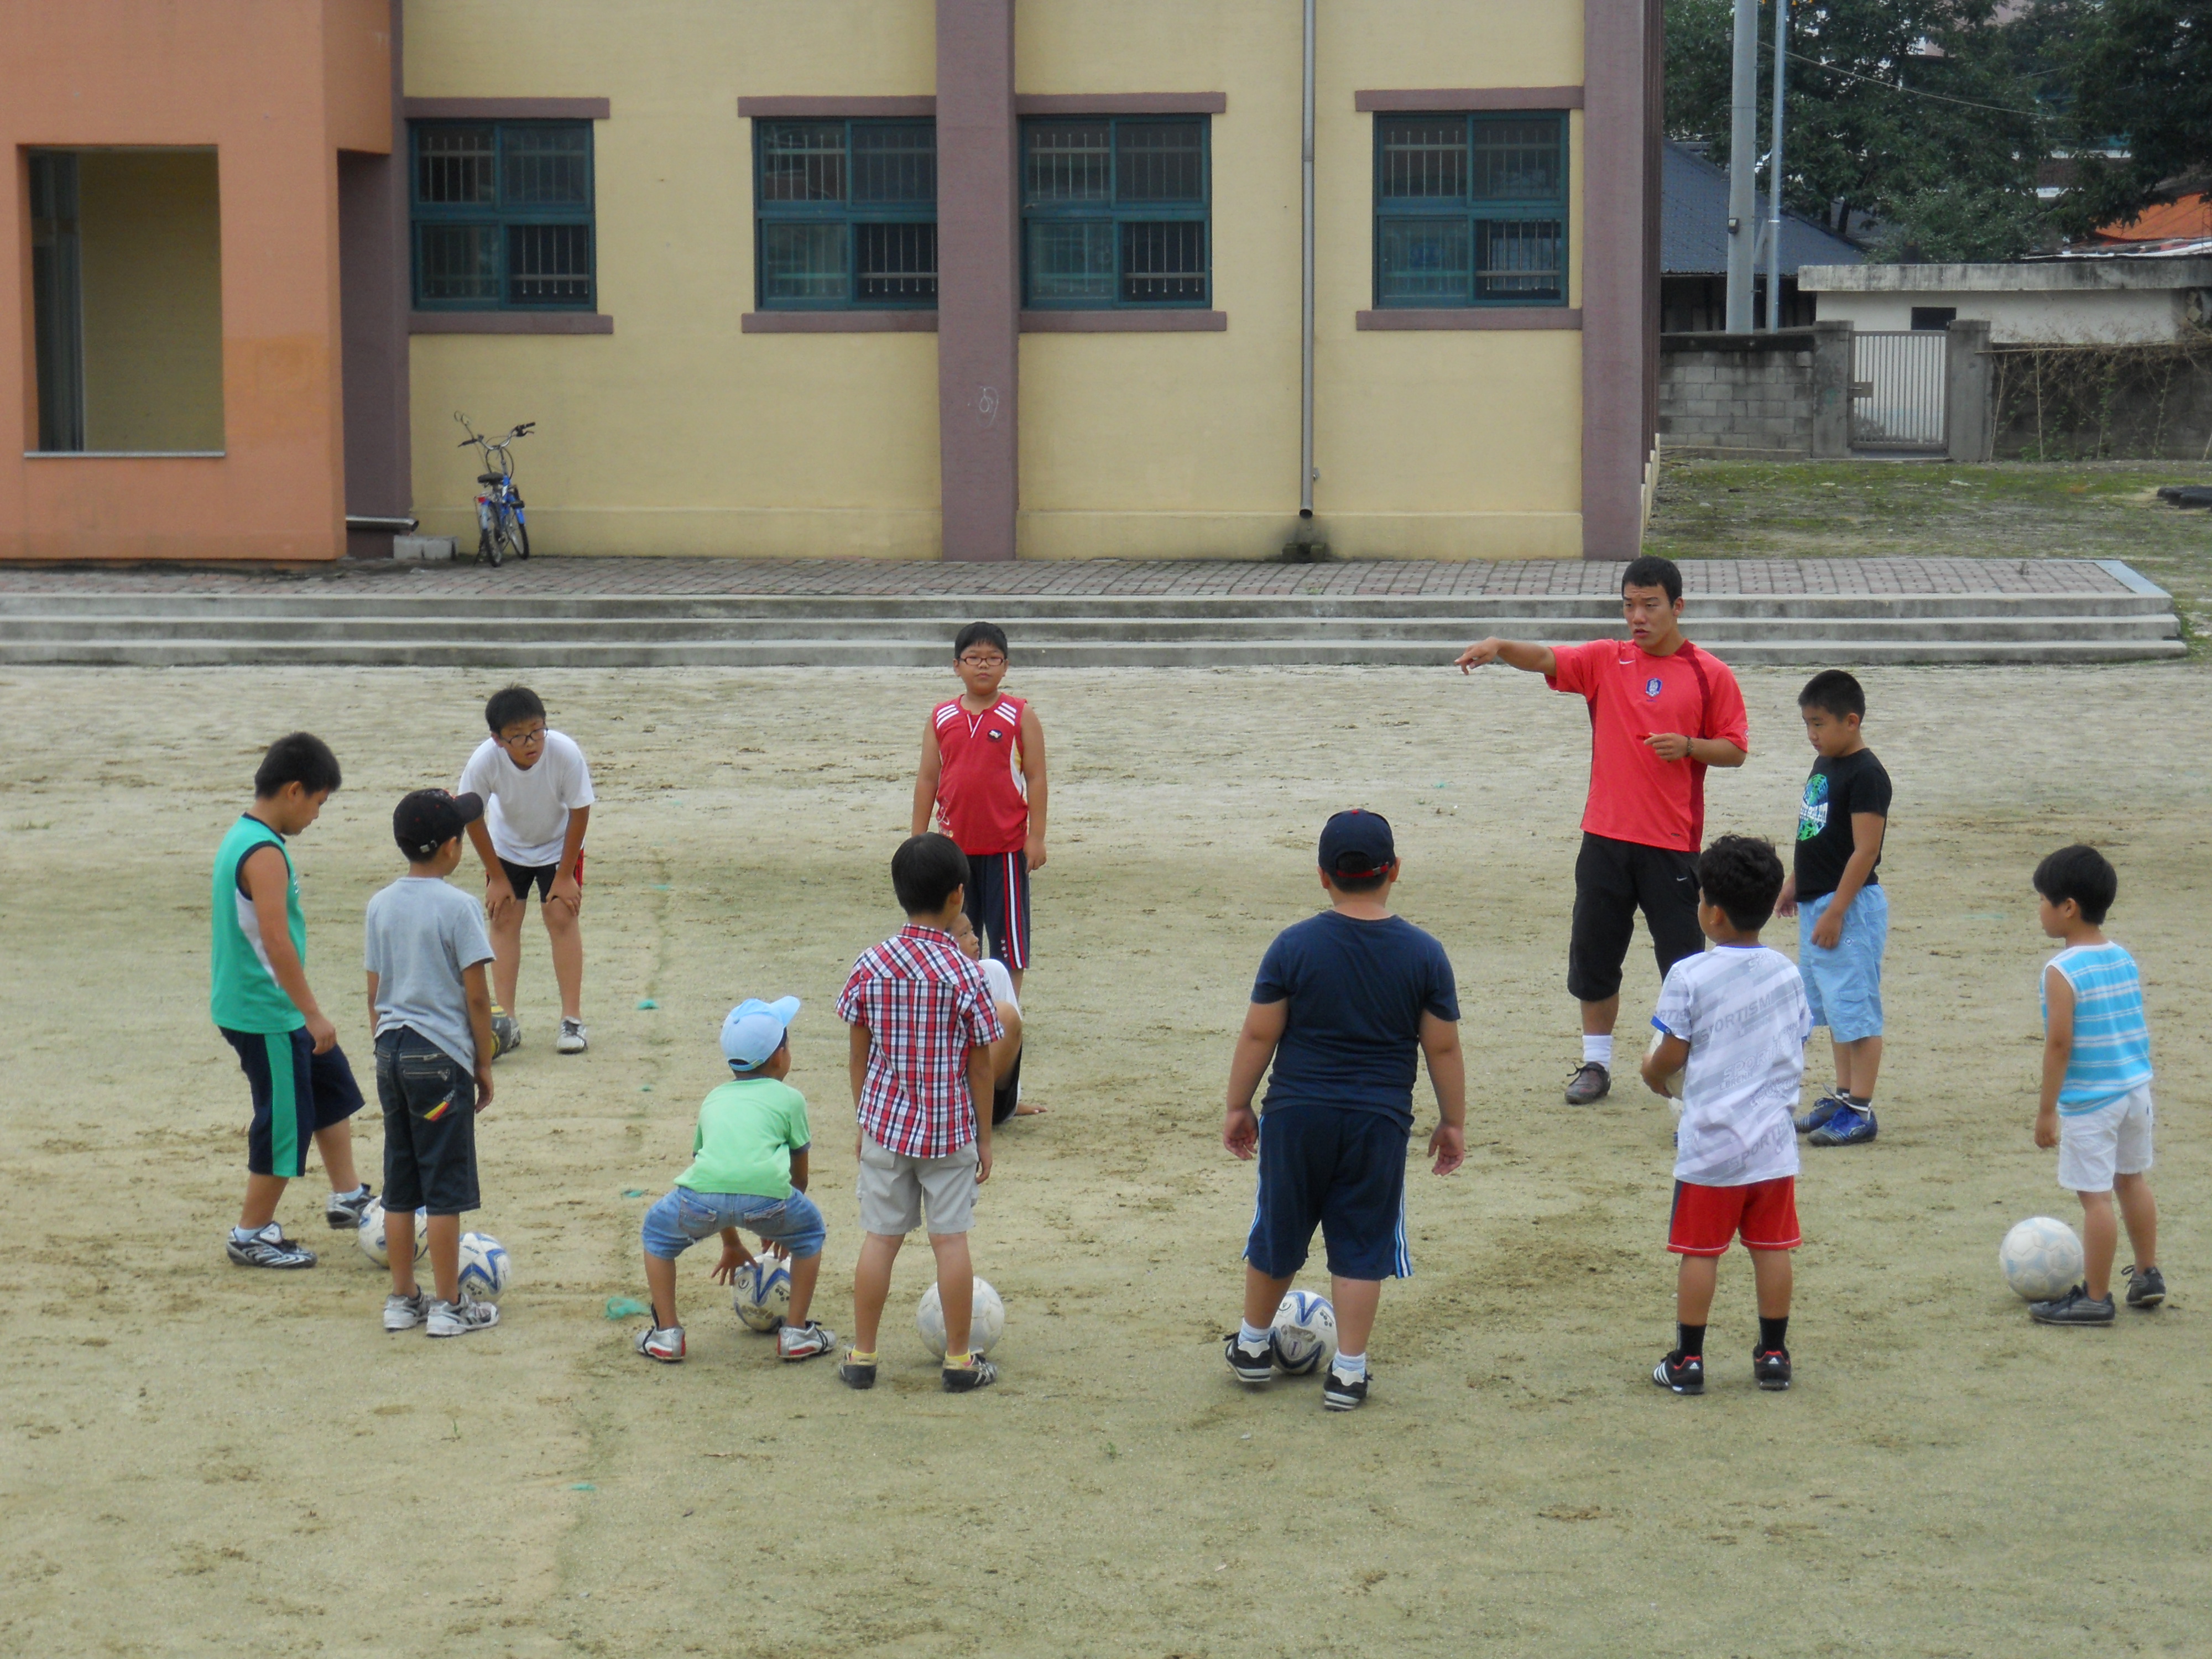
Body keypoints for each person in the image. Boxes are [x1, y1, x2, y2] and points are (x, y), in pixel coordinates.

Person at [1457, 555, 1749, 1105]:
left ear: (1677, 606)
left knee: (1683, 963)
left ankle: (1688, 1064)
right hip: (1605, 839)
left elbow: (1735, 749)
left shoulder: (1711, 674)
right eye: (1629, 605)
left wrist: (1688, 747)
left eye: (1649, 605)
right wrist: (1498, 645)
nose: (1637, 616)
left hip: (1672, 846)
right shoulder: (1604, 661)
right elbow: (1545, 657)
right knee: (1594, 956)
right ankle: (1596, 1064)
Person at [1222, 810, 1465, 1413]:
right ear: (1395, 872)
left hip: (1296, 1114)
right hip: (1376, 1122)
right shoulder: (1424, 954)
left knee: (1276, 1227)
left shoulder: (1294, 945)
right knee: (1360, 1243)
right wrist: (1452, 1120)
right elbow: (1441, 1045)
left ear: (1323, 877)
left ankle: (1253, 1347)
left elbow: (1259, 1035)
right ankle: (1349, 1373)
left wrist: (1237, 1104)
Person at [835, 833, 1006, 1394]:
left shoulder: (871, 963)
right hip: (950, 1126)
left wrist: (866, 1120)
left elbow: (858, 1055)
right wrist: (984, 1136)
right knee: (950, 1241)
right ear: (958, 897)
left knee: (880, 1239)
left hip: (886, 1125)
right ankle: (959, 1360)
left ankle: (862, 1355)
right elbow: (981, 1067)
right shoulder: (963, 972)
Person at [1642, 834, 1811, 1397]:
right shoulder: (1787, 973)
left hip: (1711, 1142)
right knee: (1772, 1248)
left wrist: (1652, 1075)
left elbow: (1670, 1056)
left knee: (1700, 1252)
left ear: (1710, 911)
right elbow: (1797, 1035)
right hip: (1772, 1142)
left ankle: (1688, 1359)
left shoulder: (1689, 975)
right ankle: (1773, 1353)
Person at [212, 733, 370, 1269]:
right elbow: (276, 942)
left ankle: (348, 1196)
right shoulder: (264, 854)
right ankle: (251, 1232)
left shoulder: (243, 835)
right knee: (286, 1122)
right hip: (267, 1013)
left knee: (331, 1085)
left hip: (271, 1007)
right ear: (295, 790)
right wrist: (311, 1013)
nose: (317, 817)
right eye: (319, 804)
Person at [632, 998, 837, 1364]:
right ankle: (796, 1333)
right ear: (780, 1056)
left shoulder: (714, 1098)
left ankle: (666, 1334)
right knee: (810, 1235)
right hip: (771, 1199)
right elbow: (799, 1175)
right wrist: (781, 1225)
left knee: (656, 1235)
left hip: (701, 1198)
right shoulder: (791, 1099)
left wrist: (731, 1241)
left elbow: (713, 1171)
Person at [364, 789, 501, 1337]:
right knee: (444, 1188)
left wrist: (383, 1047)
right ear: (451, 848)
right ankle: (448, 1305)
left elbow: (374, 992)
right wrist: (483, 1064)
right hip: (439, 1056)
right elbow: (476, 997)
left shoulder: (380, 904)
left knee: (399, 1182)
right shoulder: (459, 906)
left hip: (391, 1050)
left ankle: (402, 1298)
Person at [2026, 844, 2164, 1326]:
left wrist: (2048, 1110)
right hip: (2135, 1093)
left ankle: (2097, 1297)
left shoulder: (2061, 970)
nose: (2039, 909)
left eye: (2044, 899)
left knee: (2096, 1197)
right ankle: (2148, 1272)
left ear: (2069, 908)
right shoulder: (2121, 956)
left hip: (2091, 1101)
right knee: (2133, 1180)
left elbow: (2060, 1044)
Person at [1776, 670, 1891, 1147]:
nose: (1812, 734)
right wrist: (1795, 883)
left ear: (1852, 720)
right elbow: (1815, 834)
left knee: (1856, 1008)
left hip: (1850, 907)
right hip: (1817, 902)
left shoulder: (1867, 775)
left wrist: (1838, 910)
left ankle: (1861, 1109)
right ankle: (1843, 1095)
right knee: (1833, 1008)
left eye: (1819, 723)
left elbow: (1864, 851)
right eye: (1806, 724)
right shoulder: (1824, 763)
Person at [456, 685, 594, 1056]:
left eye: (537, 731)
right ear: (498, 739)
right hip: (507, 847)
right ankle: (506, 1021)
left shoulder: (565, 753)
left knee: (561, 915)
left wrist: (565, 876)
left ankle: (572, 1019)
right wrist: (496, 878)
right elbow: (471, 814)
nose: (531, 742)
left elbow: (581, 810)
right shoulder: (484, 761)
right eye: (518, 736)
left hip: (559, 845)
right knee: (503, 919)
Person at [912, 622, 1048, 997]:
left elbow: (1036, 778)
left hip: (1006, 848)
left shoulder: (1019, 715)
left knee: (1009, 940)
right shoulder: (941, 718)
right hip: (954, 850)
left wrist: (1036, 837)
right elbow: (927, 779)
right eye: (973, 658)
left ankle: (1007, 1009)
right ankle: (961, 1004)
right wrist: (918, 838)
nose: (983, 666)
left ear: (1006, 666)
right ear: (957, 665)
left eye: (993, 659)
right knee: (956, 933)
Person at [950, 908, 1036, 1123]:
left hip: (985, 1088)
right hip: (947, 1092)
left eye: (971, 931)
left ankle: (1011, 1100)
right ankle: (962, 1111)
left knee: (995, 971)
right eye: (964, 935)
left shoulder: (989, 972)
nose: (975, 939)